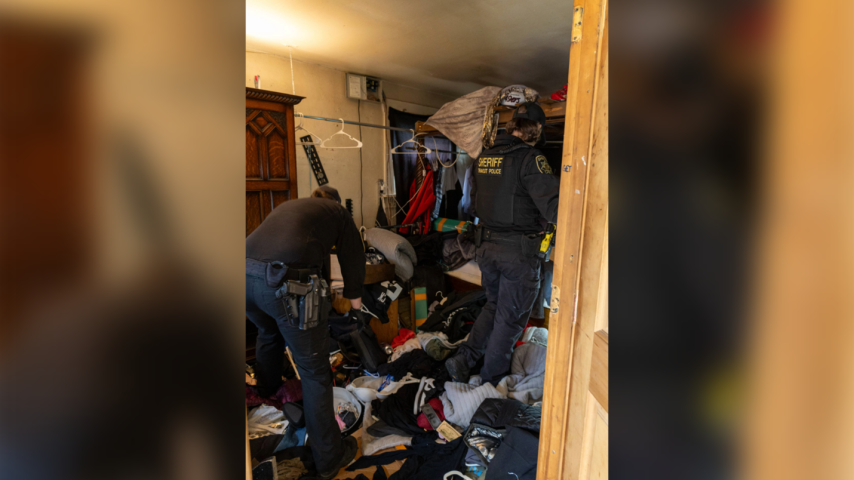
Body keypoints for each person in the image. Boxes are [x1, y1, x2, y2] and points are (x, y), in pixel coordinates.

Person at [246, 185, 363, 479]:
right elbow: (352, 257)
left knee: (268, 333)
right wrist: (356, 308)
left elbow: (317, 266)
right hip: (281, 283)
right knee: (314, 371)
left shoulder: (295, 209)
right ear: (335, 203)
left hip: (243, 276)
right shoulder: (338, 213)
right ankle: (329, 460)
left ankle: (267, 392)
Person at [445, 102, 560, 385]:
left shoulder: (483, 158)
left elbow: (471, 206)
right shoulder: (531, 160)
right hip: (517, 255)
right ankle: (490, 382)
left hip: (486, 248)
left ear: (511, 127)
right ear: (536, 131)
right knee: (509, 320)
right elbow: (555, 210)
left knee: (494, 307)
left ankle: (465, 359)